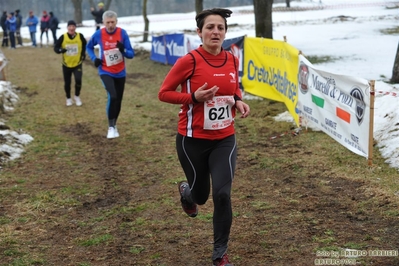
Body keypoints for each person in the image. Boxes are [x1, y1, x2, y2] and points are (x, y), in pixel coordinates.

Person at [158, 8, 250, 266]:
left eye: (220, 28)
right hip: (192, 141)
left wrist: (238, 101)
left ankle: (220, 253)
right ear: (199, 32)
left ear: (225, 32)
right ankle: (187, 193)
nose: (216, 32)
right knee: (201, 196)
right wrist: (193, 98)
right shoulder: (190, 61)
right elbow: (164, 93)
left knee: (222, 195)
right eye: (210, 27)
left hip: (224, 139)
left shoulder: (232, 58)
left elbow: (234, 89)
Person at [86, 10, 134, 139]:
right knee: (112, 96)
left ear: (116, 22)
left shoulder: (122, 33)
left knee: (118, 100)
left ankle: (114, 124)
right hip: (105, 71)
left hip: (120, 72)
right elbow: (88, 47)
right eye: (108, 22)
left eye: (113, 22)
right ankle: (111, 126)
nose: (110, 25)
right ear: (103, 22)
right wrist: (94, 58)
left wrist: (123, 50)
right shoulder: (99, 34)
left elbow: (131, 54)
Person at [54, 20, 87, 107]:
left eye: (73, 26)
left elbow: (84, 44)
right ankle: (68, 98)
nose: (72, 28)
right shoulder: (63, 37)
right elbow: (56, 48)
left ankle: (77, 96)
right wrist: (61, 50)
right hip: (66, 64)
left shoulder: (80, 36)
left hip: (77, 63)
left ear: (75, 27)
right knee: (67, 82)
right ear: (67, 27)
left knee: (78, 80)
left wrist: (83, 54)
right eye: (70, 26)